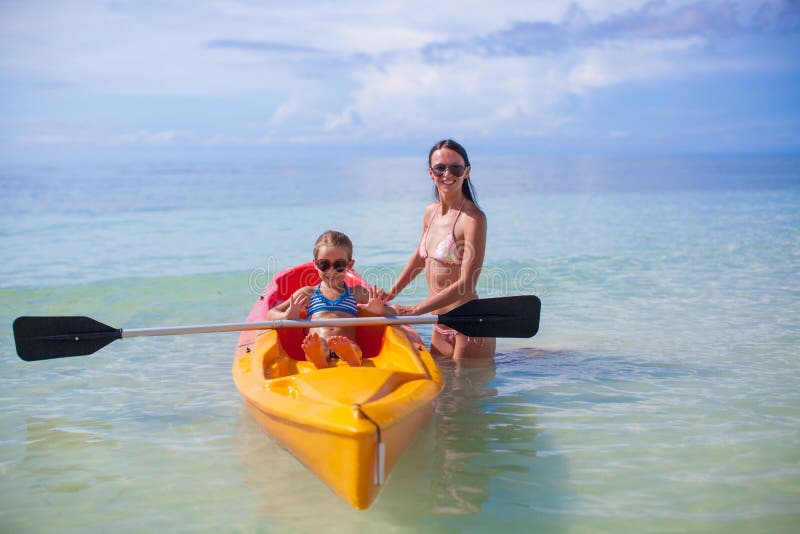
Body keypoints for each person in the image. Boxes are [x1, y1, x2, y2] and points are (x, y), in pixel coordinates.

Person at [386, 139, 496, 360]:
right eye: (440, 168)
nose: (447, 174)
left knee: (466, 384)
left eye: (455, 168)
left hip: (469, 326)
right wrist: (390, 294)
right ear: (430, 173)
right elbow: (420, 258)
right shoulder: (431, 212)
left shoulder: (473, 219)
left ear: (467, 171)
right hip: (439, 324)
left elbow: (466, 284)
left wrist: (416, 309)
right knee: (443, 383)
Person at [267, 230, 387, 369]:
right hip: (318, 345)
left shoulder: (357, 293)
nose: (331, 271)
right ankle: (320, 360)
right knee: (316, 346)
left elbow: (391, 312)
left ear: (349, 265)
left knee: (353, 347)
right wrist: (287, 316)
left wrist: (378, 311)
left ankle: (352, 359)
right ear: (315, 264)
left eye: (339, 265)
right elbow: (271, 313)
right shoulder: (308, 293)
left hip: (345, 345)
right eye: (324, 265)